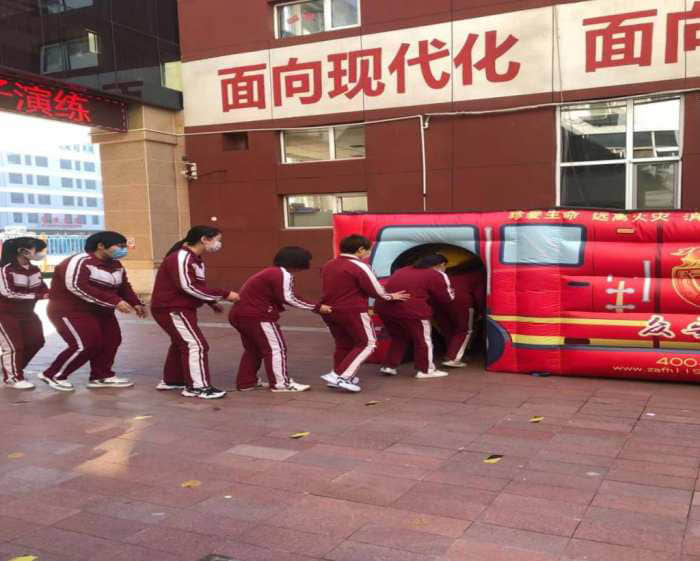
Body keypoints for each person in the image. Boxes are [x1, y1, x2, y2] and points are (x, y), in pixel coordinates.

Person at [39, 231, 146, 392]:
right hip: (71, 310)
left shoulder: (115, 264)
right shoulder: (79, 261)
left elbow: (123, 286)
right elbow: (77, 286)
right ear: (101, 246)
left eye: (125, 246)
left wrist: (135, 303)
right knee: (86, 344)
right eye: (120, 246)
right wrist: (115, 301)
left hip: (102, 311)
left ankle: (101, 376)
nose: (123, 250)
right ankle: (53, 374)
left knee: (111, 340)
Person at [151, 226, 239, 399]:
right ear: (204, 239)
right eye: (217, 239)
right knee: (196, 345)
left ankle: (173, 380)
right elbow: (188, 286)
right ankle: (198, 387)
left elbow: (198, 286)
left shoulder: (194, 259)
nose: (218, 244)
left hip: (179, 307)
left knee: (181, 343)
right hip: (173, 308)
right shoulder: (182, 257)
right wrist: (225, 294)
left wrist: (211, 302)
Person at [230, 246, 331, 392]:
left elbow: (287, 296)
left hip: (241, 314)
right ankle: (281, 384)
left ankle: (246, 382)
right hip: (258, 316)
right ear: (297, 262)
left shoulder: (271, 272)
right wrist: (317, 307)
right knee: (276, 348)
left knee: (254, 349)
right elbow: (289, 298)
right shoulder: (282, 274)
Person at [319, 234, 409, 393]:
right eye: (368, 250)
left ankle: (338, 375)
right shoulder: (360, 266)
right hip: (352, 310)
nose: (368, 253)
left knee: (343, 344)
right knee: (368, 343)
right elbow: (376, 290)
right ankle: (341, 376)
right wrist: (390, 296)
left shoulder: (329, 264)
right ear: (360, 250)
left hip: (330, 310)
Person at [375, 254, 454, 379]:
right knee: (423, 340)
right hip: (413, 311)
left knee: (398, 337)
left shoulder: (402, 270)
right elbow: (446, 298)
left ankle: (389, 366)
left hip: (385, 309)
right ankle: (425, 370)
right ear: (441, 265)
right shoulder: (436, 274)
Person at [0, 237, 49, 389]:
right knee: (14, 346)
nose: (41, 253)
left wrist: (48, 293)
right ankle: (12, 378)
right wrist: (38, 296)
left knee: (37, 341)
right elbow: (7, 292)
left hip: (28, 313)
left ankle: (12, 368)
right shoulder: (5, 269)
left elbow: (42, 287)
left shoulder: (34, 269)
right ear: (22, 251)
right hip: (5, 313)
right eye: (38, 249)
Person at [438, 261, 486, 368]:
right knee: (464, 330)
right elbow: (479, 294)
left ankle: (450, 353)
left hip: (438, 301)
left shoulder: (449, 272)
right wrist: (482, 311)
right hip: (461, 302)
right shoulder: (477, 274)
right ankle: (452, 358)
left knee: (447, 329)